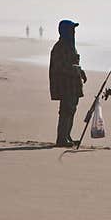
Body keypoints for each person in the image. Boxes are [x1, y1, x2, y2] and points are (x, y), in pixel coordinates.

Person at [48, 19, 87, 147]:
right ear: (65, 31)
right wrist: (76, 70)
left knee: (71, 110)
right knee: (65, 111)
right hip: (65, 85)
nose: (74, 32)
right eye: (72, 30)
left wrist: (81, 71)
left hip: (73, 85)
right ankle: (61, 139)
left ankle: (67, 136)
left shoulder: (70, 45)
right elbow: (61, 67)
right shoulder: (59, 47)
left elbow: (74, 63)